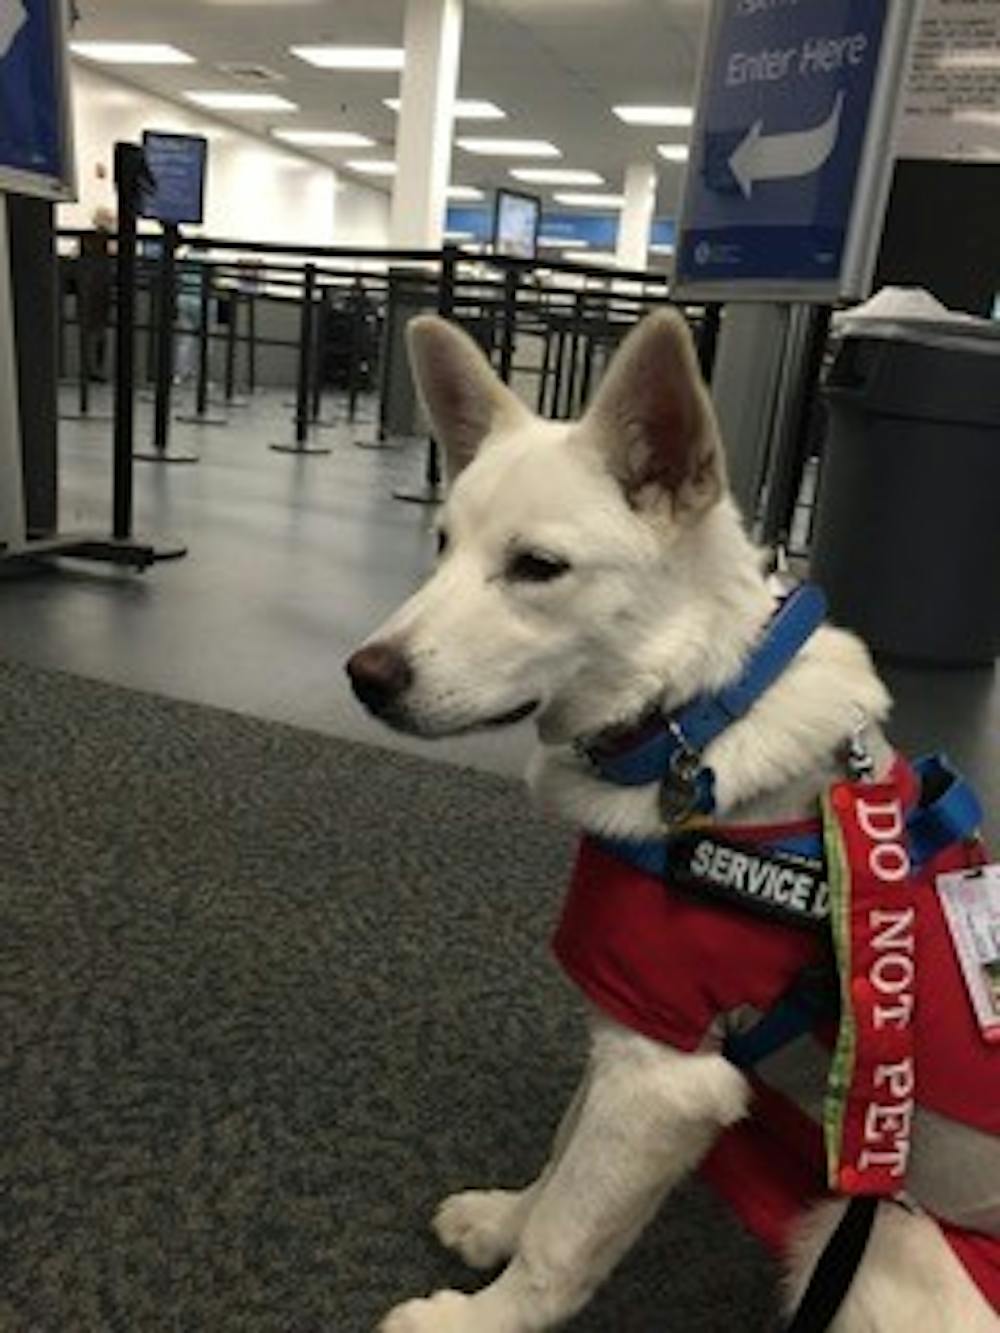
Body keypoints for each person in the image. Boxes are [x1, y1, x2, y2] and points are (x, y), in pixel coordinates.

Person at [77, 207, 115, 383]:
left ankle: (89, 367)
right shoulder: (110, 241)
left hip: (88, 287)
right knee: (100, 332)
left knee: (90, 331)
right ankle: (95, 369)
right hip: (101, 288)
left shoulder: (85, 239)